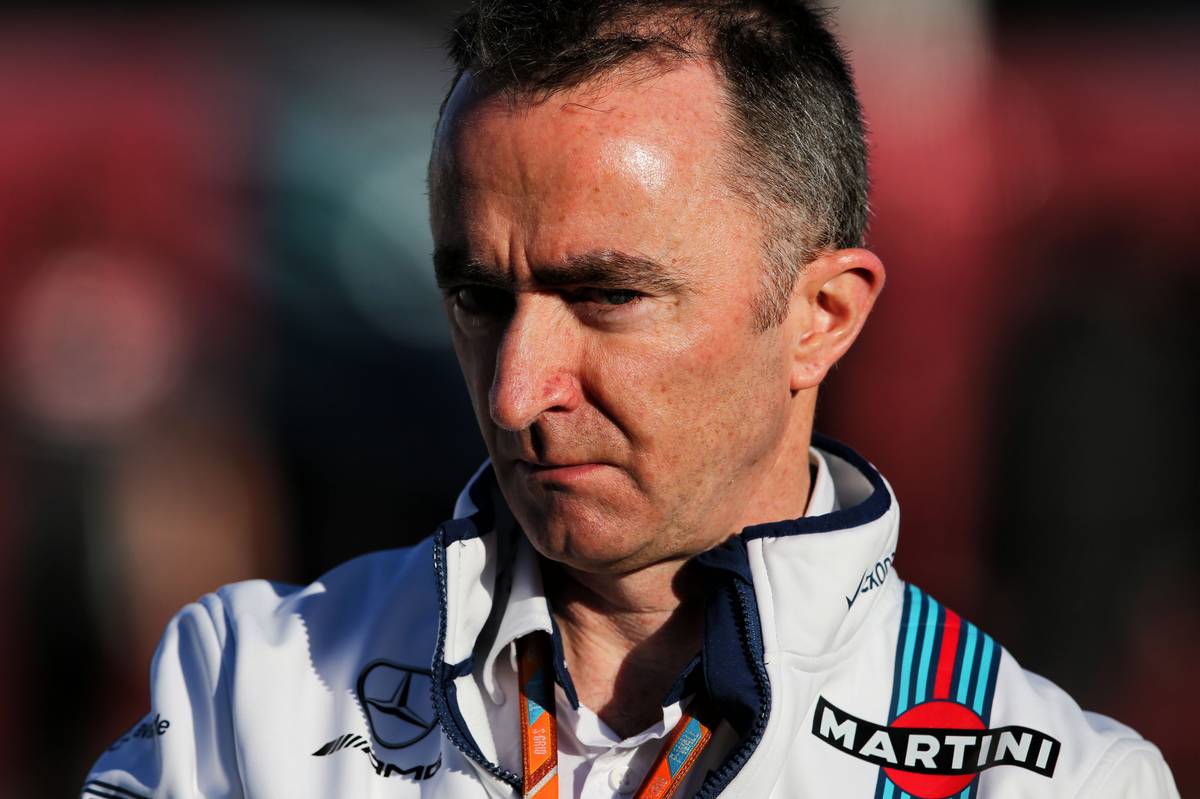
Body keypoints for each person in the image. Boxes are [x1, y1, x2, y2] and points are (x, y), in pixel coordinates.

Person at [82, 2, 1180, 797]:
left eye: (607, 295)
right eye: (478, 299)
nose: (517, 390)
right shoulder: (248, 692)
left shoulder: (1051, 778)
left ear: (822, 316)